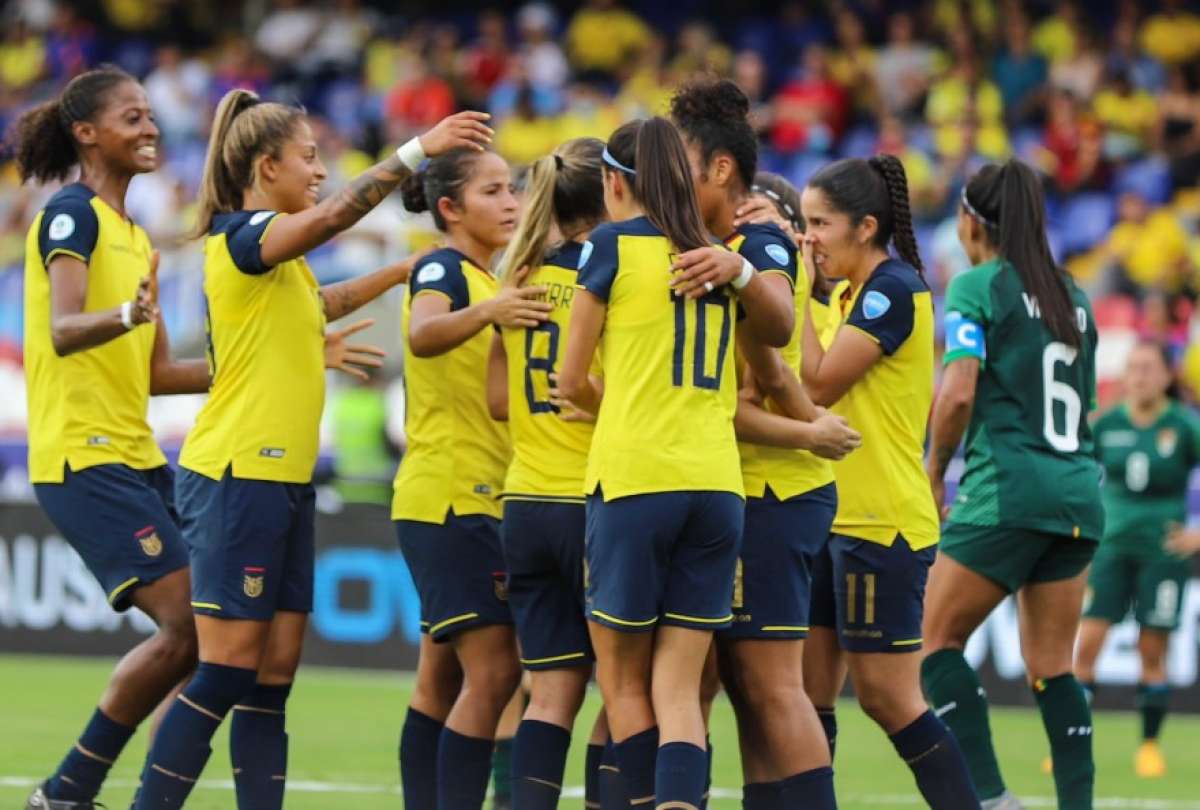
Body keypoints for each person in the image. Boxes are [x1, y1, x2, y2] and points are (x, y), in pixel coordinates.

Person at [132, 91, 492, 810]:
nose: (321, 171)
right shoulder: (244, 235)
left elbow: (318, 304)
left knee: (274, 676)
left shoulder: (273, 257)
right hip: (238, 472)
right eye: (309, 157)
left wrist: (400, 275)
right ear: (267, 167)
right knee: (228, 670)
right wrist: (416, 150)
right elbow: (333, 218)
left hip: (283, 478)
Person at [12, 65, 209, 810]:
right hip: (80, 457)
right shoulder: (72, 214)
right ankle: (69, 789)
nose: (150, 127)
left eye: (151, 114)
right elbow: (64, 331)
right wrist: (127, 316)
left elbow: (157, 375)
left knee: (209, 630)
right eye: (132, 117)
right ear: (87, 133)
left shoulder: (135, 237)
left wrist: (254, 368)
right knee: (189, 622)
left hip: (134, 454)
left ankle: (99, 793)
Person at [670, 77, 859, 809]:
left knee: (773, 686)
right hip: (748, 490)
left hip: (773, 491)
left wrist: (808, 431)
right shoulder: (725, 253)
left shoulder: (759, 260)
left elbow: (755, 383)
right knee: (742, 686)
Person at [556, 116, 751, 810]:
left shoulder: (608, 245)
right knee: (680, 690)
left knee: (625, 686)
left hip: (635, 479)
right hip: (718, 483)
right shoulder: (722, 256)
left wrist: (626, 403)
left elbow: (570, 378)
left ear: (613, 182)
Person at [922, 159, 1104, 810]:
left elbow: (959, 390)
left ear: (971, 222)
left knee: (933, 643)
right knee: (1053, 667)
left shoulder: (979, 285)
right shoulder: (1073, 297)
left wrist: (936, 468)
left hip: (1008, 489)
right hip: (1078, 493)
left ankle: (993, 799)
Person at [797, 155, 978, 809]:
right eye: (803, 222)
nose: (808, 237)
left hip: (880, 521)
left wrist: (784, 287)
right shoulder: (847, 293)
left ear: (866, 226)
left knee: (887, 696)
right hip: (827, 515)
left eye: (820, 223)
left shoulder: (893, 289)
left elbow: (817, 382)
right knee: (806, 695)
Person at [393, 145, 544, 810]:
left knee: (440, 681)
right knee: (497, 673)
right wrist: (492, 312)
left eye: (511, 188)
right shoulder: (443, 269)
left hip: (474, 495)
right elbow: (425, 336)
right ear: (449, 209)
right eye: (491, 191)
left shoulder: (488, 279)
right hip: (456, 497)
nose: (510, 201)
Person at [483, 136, 608, 809]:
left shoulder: (521, 277)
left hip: (525, 500)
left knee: (550, 692)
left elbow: (499, 402)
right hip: (593, 502)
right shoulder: (613, 274)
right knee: (626, 690)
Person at [1076, 341, 1200, 779]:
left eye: (1148, 368)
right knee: (1087, 645)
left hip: (1161, 554)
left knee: (1152, 650)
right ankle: (1071, 746)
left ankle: (1149, 745)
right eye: (1133, 368)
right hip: (1110, 549)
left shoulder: (1184, 426)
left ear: (1167, 376)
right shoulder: (1106, 424)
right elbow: (1075, 475)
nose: (1139, 376)